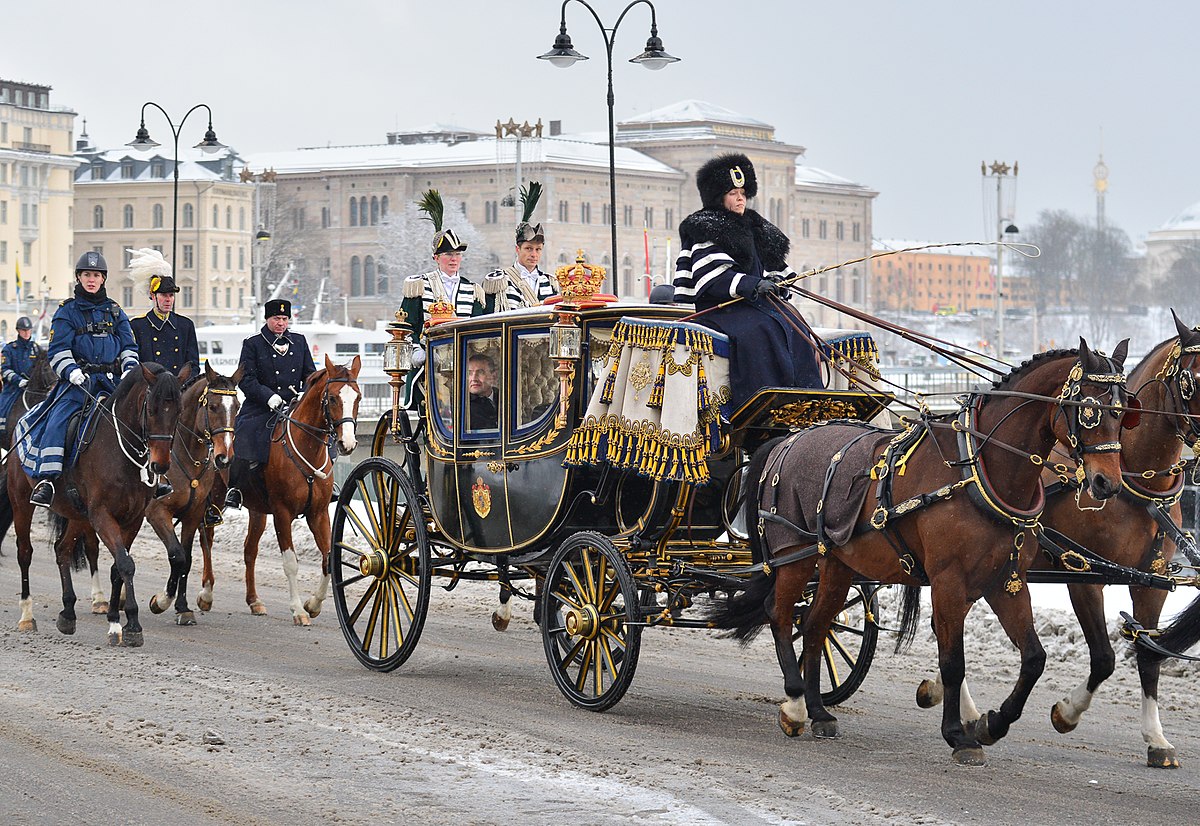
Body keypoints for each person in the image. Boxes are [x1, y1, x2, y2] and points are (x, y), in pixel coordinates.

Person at [673, 153, 822, 410]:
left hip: (754, 305)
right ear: (718, 196)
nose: (740, 198)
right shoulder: (705, 226)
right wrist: (751, 285)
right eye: (733, 192)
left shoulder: (754, 225)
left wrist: (776, 281)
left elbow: (774, 267)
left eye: (743, 192)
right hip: (720, 310)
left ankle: (807, 396)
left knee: (793, 321)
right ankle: (761, 404)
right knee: (761, 330)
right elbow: (713, 277)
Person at [14, 251, 143, 507]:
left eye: (96, 275)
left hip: (111, 383)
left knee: (141, 418)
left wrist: (129, 368)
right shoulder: (66, 312)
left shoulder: (116, 312)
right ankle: (48, 480)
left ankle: (151, 475)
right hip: (77, 383)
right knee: (58, 420)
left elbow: (129, 346)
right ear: (79, 277)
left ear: (103, 278)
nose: (91, 279)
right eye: (87, 275)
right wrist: (70, 370)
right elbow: (57, 349)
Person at [224, 299, 316, 510]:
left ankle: (324, 481)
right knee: (243, 433)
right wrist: (268, 396)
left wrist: (305, 394)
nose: (281, 323)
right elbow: (246, 379)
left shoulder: (300, 342)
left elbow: (310, 373)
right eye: (276, 319)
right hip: (261, 406)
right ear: (267, 319)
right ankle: (235, 488)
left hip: (293, 405)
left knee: (319, 431)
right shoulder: (253, 343)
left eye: (284, 319)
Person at [400, 189, 485, 409]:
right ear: (437, 258)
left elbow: (480, 328)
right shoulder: (419, 285)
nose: (454, 259)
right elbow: (404, 327)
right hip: (428, 364)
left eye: (457, 254)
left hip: (466, 365)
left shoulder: (473, 289)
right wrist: (416, 352)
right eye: (448, 254)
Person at [483, 181, 558, 312]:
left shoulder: (550, 283)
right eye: (528, 248)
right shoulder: (499, 281)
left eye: (538, 249)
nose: (534, 254)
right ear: (518, 249)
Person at [128, 248, 199, 382]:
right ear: (153, 296)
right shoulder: (138, 325)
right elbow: (137, 365)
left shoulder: (185, 325)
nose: (168, 299)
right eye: (164, 295)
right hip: (151, 390)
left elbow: (192, 365)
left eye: (171, 295)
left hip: (178, 389)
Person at [0, 316, 39, 443]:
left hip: (32, 390)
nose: (27, 333)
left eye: (28, 330)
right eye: (24, 330)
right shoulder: (10, 349)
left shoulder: (36, 349)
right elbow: (5, 370)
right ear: (18, 331)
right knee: (2, 406)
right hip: (13, 389)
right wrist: (18, 380)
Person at [466, 352, 499, 430]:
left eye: (480, 372)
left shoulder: (504, 397)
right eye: (469, 373)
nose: (474, 378)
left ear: (493, 376)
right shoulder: (463, 404)